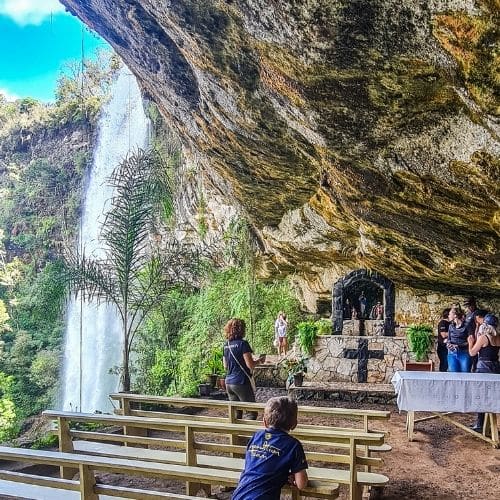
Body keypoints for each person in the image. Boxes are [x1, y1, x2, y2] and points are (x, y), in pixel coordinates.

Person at [232, 396, 308, 500]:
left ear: (264, 421)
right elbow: (301, 484)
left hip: (239, 495)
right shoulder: (293, 445)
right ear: (294, 424)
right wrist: (291, 477)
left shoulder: (256, 436)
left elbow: (255, 464)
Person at [223, 318, 263, 420]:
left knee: (237, 413)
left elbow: (225, 366)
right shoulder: (243, 344)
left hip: (229, 383)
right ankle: (248, 431)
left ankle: (236, 431)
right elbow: (250, 365)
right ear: (241, 329)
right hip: (241, 382)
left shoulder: (226, 345)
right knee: (251, 413)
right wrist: (259, 361)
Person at [467, 314, 500, 432]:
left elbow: (472, 353)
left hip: (483, 369)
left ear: (485, 325)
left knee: (481, 395)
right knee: (492, 396)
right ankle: (491, 424)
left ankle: (480, 424)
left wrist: (470, 342)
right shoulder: (498, 337)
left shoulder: (483, 338)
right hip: (496, 368)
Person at [446, 306, 474, 372]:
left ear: (455, 315)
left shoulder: (467, 325)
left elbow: (471, 340)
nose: (448, 316)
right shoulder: (450, 326)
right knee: (453, 375)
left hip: (464, 353)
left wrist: (458, 346)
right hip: (452, 353)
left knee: (465, 374)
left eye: (450, 314)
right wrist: (448, 344)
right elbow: (449, 339)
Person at [436, 308, 450, 372]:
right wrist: (454, 332)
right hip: (443, 348)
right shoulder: (443, 323)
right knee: (444, 364)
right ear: (448, 315)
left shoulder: (450, 323)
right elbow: (443, 334)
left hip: (448, 347)